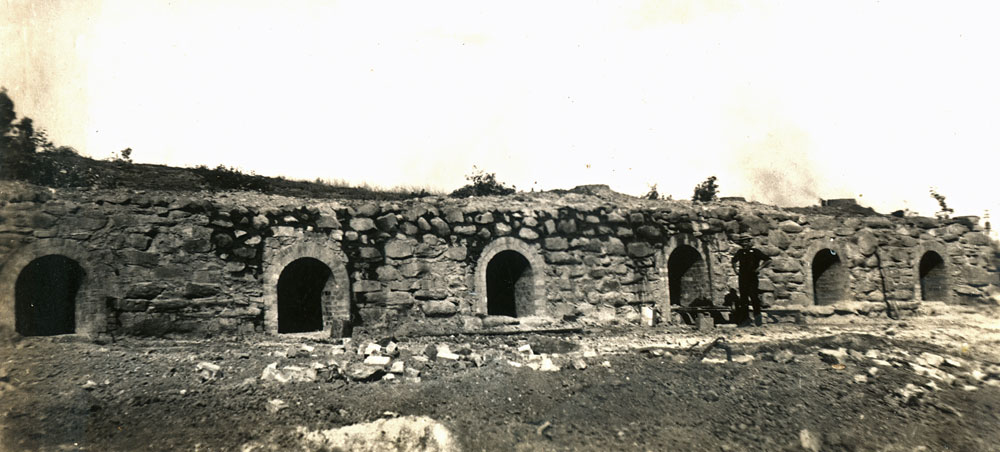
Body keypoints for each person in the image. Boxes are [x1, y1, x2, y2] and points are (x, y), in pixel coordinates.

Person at [731, 235, 771, 326]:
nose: (744, 244)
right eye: (743, 242)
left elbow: (768, 260)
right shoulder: (740, 252)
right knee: (743, 299)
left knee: (754, 298)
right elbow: (733, 261)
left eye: (746, 242)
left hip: (752, 277)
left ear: (749, 242)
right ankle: (745, 321)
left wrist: (759, 268)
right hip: (743, 277)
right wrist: (735, 270)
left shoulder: (755, 252)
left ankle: (758, 321)